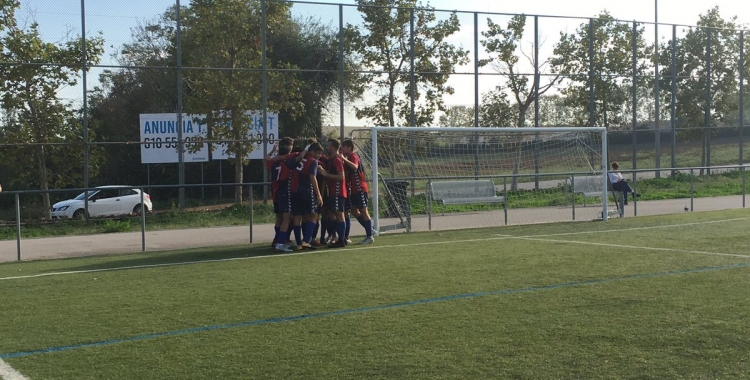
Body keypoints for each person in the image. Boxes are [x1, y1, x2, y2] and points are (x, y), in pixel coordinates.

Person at [340, 138, 374, 244]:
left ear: (349, 147)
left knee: (364, 211)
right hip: (354, 189)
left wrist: (343, 159)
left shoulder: (353, 156)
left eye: (344, 146)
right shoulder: (348, 157)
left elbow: (355, 167)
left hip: (360, 188)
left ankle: (369, 236)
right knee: (354, 211)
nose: (342, 148)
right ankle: (370, 230)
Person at [318, 138, 348, 248]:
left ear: (334, 147)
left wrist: (326, 174)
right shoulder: (332, 159)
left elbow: (341, 176)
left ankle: (342, 239)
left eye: (329, 146)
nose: (327, 147)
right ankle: (340, 237)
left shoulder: (337, 159)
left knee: (339, 215)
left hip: (338, 191)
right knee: (332, 214)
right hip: (333, 191)